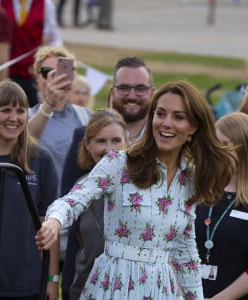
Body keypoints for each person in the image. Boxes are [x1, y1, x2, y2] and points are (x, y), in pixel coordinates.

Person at [36, 80, 236, 299]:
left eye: (178, 117)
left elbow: (184, 250)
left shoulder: (188, 179)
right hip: (113, 285)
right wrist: (54, 223)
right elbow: (74, 199)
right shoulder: (120, 163)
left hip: (160, 289)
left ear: (193, 128)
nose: (166, 123)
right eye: (160, 114)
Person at [60, 55, 155, 298]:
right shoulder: (84, 135)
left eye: (140, 88)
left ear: (152, 92)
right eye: (124, 88)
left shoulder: (162, 142)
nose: (132, 95)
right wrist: (64, 281)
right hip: (86, 280)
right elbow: (72, 223)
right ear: (112, 91)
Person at [0, 79, 59, 300]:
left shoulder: (40, 159)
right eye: (5, 110)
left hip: (28, 279)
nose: (14, 118)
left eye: (20, 111)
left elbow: (48, 223)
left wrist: (52, 279)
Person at [195, 112, 248, 299]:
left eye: (226, 145)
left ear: (247, 149)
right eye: (216, 144)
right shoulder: (200, 191)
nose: (219, 151)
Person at [69, 109, 128, 299]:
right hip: (86, 289)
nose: (109, 150)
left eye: (116, 141)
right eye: (101, 141)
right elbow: (83, 241)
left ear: (127, 142)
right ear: (87, 144)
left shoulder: (144, 187)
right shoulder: (80, 188)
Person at [28, 45, 92, 194]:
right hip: (38, 205)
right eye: (47, 72)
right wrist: (49, 104)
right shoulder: (26, 116)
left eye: (62, 72)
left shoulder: (86, 117)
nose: (54, 78)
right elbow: (23, 145)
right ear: (37, 77)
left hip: (76, 205)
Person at [0, 0, 63, 107]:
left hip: (31, 75)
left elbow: (54, 40)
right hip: (0, 72)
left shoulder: (46, 4)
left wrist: (46, 61)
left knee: (31, 113)